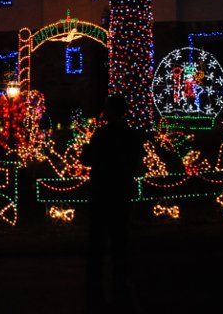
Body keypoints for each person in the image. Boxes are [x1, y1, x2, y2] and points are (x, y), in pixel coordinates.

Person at [79, 94, 145, 313]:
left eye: (106, 108)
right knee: (120, 239)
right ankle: (120, 282)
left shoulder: (102, 134)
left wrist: (88, 150)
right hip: (121, 191)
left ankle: (94, 285)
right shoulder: (131, 134)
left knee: (97, 240)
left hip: (102, 191)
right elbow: (137, 162)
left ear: (110, 110)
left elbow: (86, 159)